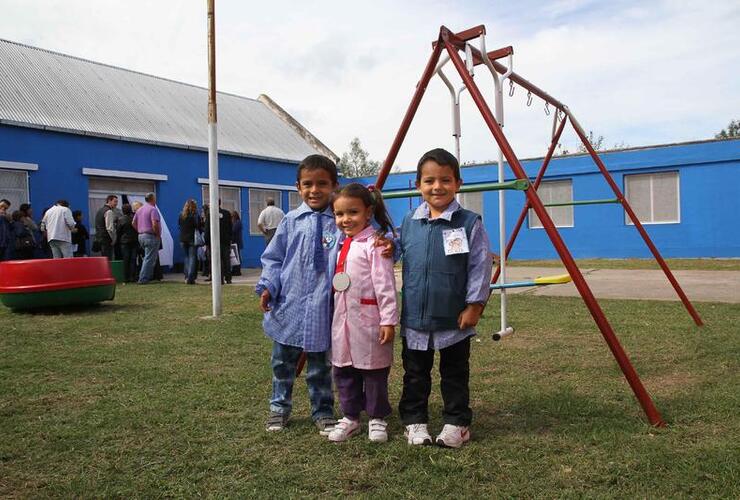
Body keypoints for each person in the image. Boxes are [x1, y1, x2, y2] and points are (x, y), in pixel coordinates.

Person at [398, 148, 492, 449]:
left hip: (454, 317)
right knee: (414, 375)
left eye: (445, 180)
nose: (437, 187)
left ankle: (457, 424)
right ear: (418, 185)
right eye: (429, 181)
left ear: (458, 184)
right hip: (415, 316)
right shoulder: (410, 221)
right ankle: (415, 423)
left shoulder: (468, 222)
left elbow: (480, 265)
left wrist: (475, 305)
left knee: (454, 374)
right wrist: (385, 245)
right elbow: (394, 247)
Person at [255, 154, 341, 436]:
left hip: (322, 307)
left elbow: (370, 238)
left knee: (319, 365)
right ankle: (279, 408)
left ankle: (323, 410)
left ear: (334, 185)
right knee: (282, 363)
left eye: (322, 184)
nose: (314, 190)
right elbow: (274, 258)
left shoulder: (341, 221)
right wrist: (268, 285)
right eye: (308, 184)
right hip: (289, 305)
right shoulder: (291, 221)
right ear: (298, 187)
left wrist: (385, 242)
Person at [326, 183, 398, 443]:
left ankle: (377, 417)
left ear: (368, 212)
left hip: (370, 319)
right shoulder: (339, 244)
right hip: (342, 320)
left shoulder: (376, 244)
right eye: (339, 214)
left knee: (374, 372)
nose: (345, 220)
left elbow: (385, 284)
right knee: (344, 370)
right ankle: (350, 416)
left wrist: (388, 319)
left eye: (352, 213)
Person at [132, 192, 161, 284]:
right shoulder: (153, 209)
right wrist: (157, 234)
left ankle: (146, 276)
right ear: (153, 199)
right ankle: (143, 278)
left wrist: (140, 230)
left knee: (147, 257)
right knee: (149, 258)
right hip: (150, 236)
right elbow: (154, 223)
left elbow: (133, 223)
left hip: (141, 236)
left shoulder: (139, 210)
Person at [204, 199, 233, 284]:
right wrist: (230, 239)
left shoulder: (210, 215)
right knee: (226, 259)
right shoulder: (227, 213)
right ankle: (228, 278)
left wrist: (207, 242)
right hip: (225, 240)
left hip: (214, 242)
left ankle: (219, 279)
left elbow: (207, 229)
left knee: (216, 260)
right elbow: (230, 228)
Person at [178, 199, 201, 285]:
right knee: (192, 258)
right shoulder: (195, 215)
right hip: (192, 239)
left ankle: (186, 276)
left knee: (186, 258)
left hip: (183, 239)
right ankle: (191, 278)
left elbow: (179, 225)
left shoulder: (181, 215)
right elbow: (198, 226)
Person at [116, 204, 139, 283]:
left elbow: (118, 231)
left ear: (123, 210)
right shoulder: (134, 218)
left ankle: (126, 278)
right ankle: (133, 277)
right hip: (135, 241)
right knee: (133, 259)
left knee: (126, 259)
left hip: (124, 242)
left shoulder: (121, 219)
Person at [94, 195, 118, 259]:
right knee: (108, 259)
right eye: (115, 201)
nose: (116, 204)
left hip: (99, 237)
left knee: (103, 258)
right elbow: (110, 228)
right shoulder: (109, 211)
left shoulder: (100, 211)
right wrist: (113, 239)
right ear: (109, 201)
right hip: (106, 239)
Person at [231, 210, 243, 276]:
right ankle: (234, 269)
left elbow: (233, 230)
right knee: (234, 256)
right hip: (235, 241)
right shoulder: (236, 222)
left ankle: (237, 270)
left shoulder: (237, 223)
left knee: (236, 256)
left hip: (237, 242)